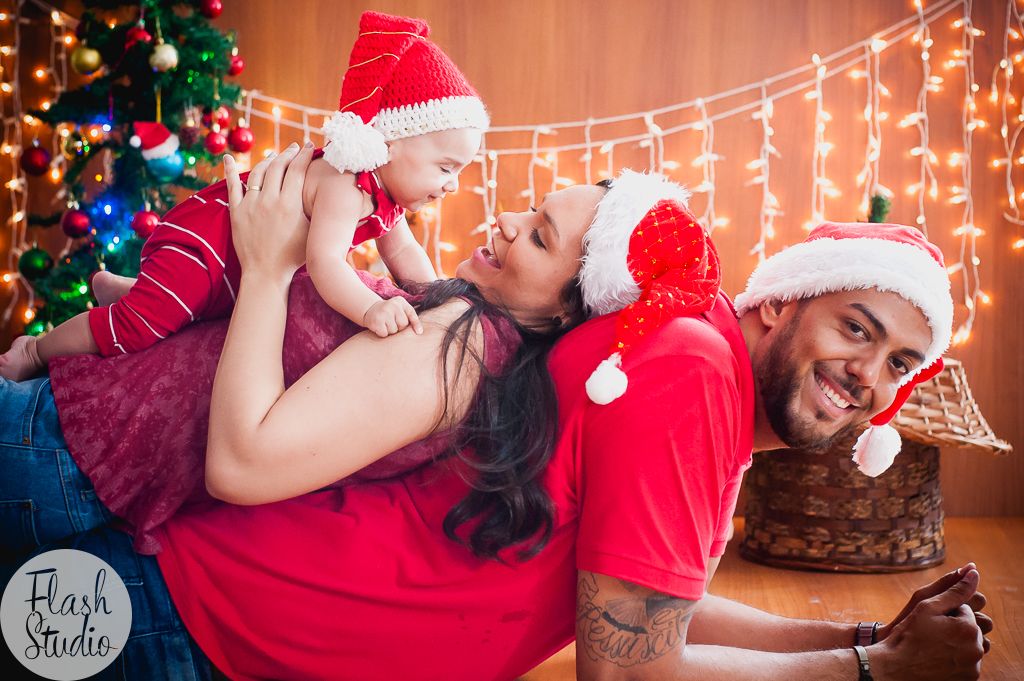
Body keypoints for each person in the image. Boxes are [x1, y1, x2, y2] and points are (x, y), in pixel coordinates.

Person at [1, 147, 990, 681]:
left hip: (205, 608)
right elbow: (632, 672)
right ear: (778, 303)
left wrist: (861, 633)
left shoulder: (692, 371)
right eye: (855, 329)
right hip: (203, 625)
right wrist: (873, 672)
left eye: (898, 362)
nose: (869, 374)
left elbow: (654, 616)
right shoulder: (689, 374)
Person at [0, 11, 489, 383]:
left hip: (236, 264)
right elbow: (325, 264)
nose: (452, 184)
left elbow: (402, 251)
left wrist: (436, 294)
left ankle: (126, 287)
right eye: (446, 168)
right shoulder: (348, 179)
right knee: (137, 327)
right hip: (209, 243)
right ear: (390, 142)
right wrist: (371, 309)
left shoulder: (387, 198)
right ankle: (35, 350)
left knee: (202, 311)